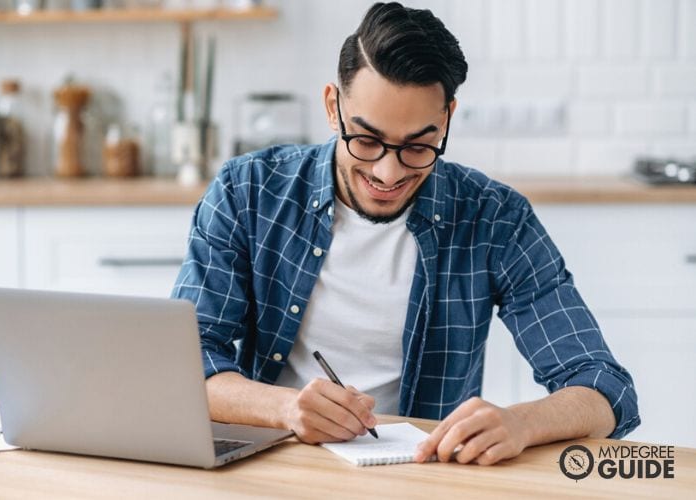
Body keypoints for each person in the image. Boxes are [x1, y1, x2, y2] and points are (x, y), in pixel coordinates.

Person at [172, 2, 639, 466]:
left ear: (447, 118)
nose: (387, 171)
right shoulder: (248, 192)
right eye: (367, 140)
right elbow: (184, 361)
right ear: (334, 107)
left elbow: (604, 387)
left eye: (418, 145)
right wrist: (285, 407)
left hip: (423, 477)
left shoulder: (495, 219)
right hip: (277, 466)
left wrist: (522, 422)